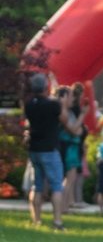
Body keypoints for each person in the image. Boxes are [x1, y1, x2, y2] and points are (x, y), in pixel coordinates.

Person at [23, 74, 68, 230]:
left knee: (38, 185)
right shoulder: (53, 105)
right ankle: (57, 221)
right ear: (45, 87)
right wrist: (61, 103)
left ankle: (36, 220)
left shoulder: (29, 104)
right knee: (56, 185)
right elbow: (65, 120)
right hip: (49, 148)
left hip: (34, 148)